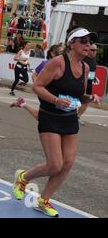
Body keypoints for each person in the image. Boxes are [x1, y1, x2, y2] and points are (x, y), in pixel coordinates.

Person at [12, 28, 100, 217]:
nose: (88, 45)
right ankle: (22, 178)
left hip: (69, 119)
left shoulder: (85, 67)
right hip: (50, 117)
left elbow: (78, 96)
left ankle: (43, 201)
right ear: (71, 43)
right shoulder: (57, 63)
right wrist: (55, 101)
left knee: (67, 163)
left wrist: (90, 97)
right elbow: (37, 86)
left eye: (89, 41)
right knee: (55, 165)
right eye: (83, 41)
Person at [10, 44, 64, 119]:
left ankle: (23, 104)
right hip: (47, 94)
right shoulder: (45, 63)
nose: (63, 53)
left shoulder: (63, 65)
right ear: (52, 53)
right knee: (47, 117)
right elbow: (34, 75)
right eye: (61, 52)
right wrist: (39, 88)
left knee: (43, 116)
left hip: (57, 94)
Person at [78, 43, 98, 121]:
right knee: (74, 100)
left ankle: (77, 117)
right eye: (93, 50)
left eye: (96, 50)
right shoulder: (83, 58)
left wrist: (94, 77)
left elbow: (92, 71)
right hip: (80, 83)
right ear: (88, 50)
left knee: (86, 101)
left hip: (89, 84)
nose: (94, 52)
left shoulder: (94, 60)